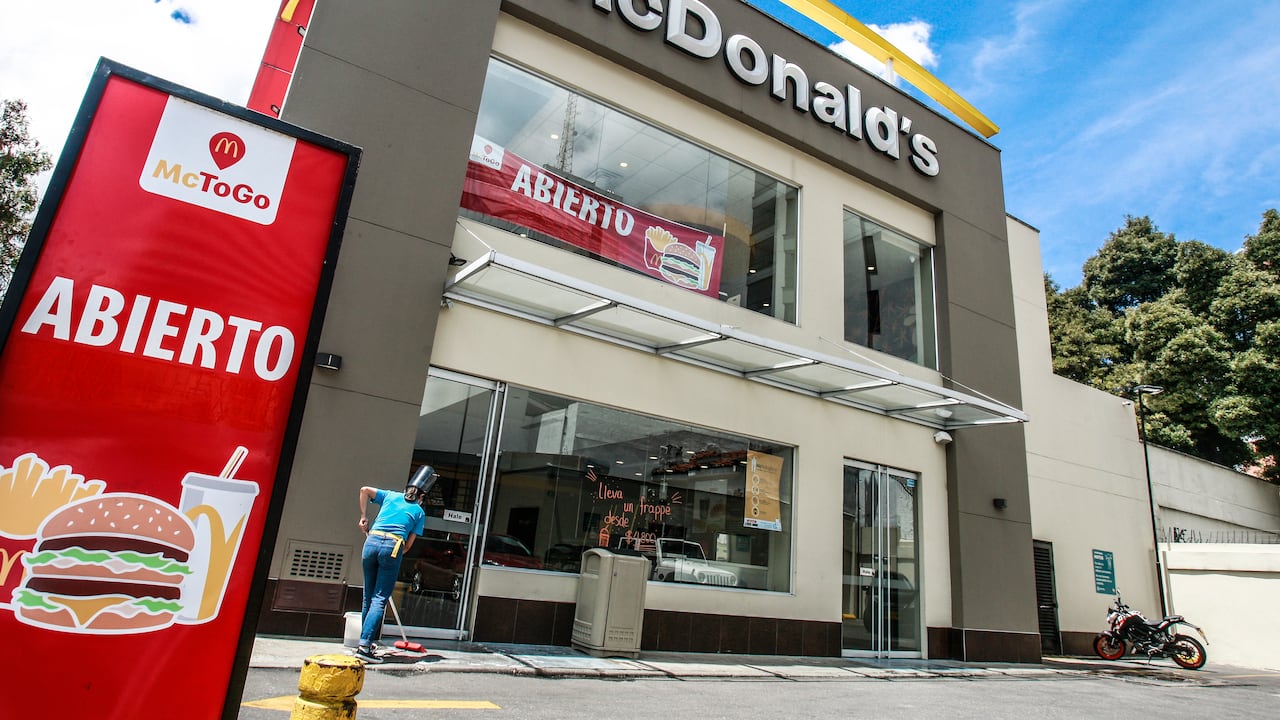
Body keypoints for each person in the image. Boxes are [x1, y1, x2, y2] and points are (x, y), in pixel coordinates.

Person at [354, 466, 434, 662]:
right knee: (380, 598)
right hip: (393, 546)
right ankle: (364, 646)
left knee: (368, 597)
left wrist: (364, 517)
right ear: (422, 496)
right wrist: (395, 552)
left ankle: (366, 642)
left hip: (371, 541)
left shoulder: (390, 496)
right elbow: (408, 546)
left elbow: (364, 489)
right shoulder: (419, 512)